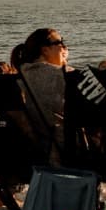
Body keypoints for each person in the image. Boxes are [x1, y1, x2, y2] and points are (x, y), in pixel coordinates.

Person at [17, 28, 70, 165]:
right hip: (64, 149)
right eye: (60, 43)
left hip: (32, 150)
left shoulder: (20, 77)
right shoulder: (62, 75)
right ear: (45, 50)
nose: (65, 47)